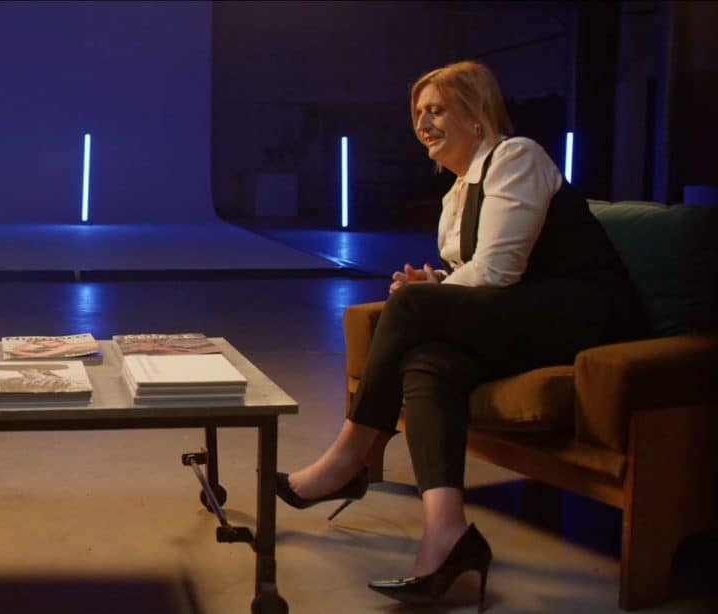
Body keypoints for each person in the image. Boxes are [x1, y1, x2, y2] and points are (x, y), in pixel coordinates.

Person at [275, 60, 642, 607]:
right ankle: (448, 533)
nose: (424, 123)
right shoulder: (456, 195)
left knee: (411, 308)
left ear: (477, 115)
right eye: (419, 113)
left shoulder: (517, 158)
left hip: (587, 313)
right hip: (525, 316)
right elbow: (477, 273)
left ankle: (349, 457)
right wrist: (437, 284)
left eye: (438, 110)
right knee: (429, 362)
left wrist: (429, 296)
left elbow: (496, 272)